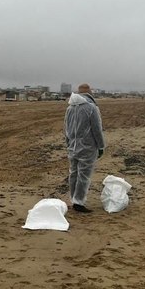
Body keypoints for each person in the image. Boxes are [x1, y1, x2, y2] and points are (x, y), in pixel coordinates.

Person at [64, 83, 105, 212]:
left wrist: (68, 143)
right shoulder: (91, 108)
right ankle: (79, 202)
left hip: (73, 146)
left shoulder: (70, 108)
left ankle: (74, 198)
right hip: (87, 147)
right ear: (89, 93)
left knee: (74, 173)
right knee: (84, 175)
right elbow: (97, 129)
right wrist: (101, 146)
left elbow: (66, 128)